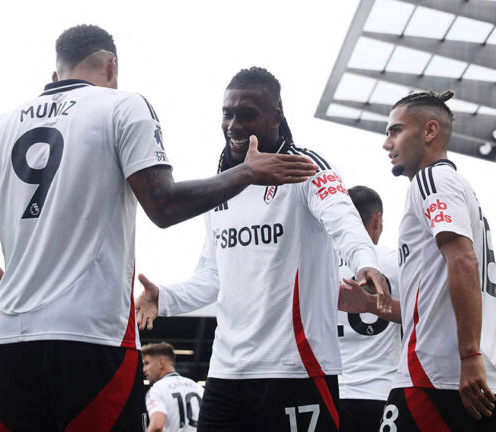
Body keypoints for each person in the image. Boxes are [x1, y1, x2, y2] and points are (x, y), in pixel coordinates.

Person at [0, 25, 316, 431]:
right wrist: (245, 173)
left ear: (56, 75)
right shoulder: (122, 106)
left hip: (11, 339)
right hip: (92, 336)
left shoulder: (3, 123)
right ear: (112, 66)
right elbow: (163, 206)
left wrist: (9, 288)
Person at [136, 66, 391, 431]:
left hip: (296, 369)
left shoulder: (306, 168)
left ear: (277, 115)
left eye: (248, 113)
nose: (234, 124)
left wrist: (365, 261)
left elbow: (343, 219)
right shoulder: (222, 186)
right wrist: (166, 298)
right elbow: (212, 276)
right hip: (226, 372)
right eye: (228, 113)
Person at [378, 90, 496, 431]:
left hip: (439, 378)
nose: (386, 142)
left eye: (394, 130)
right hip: (476, 378)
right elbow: (431, 302)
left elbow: (464, 262)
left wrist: (468, 355)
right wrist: (374, 305)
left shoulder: (432, 179)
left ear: (429, 131)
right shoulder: (458, 187)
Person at [336, 186, 402, 432]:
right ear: (377, 221)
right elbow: (422, 314)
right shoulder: (396, 263)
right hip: (381, 393)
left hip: (329, 393)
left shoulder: (318, 263)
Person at [142, 342, 204, 432]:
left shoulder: (157, 389)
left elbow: (157, 426)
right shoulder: (199, 388)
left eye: (147, 363)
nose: (144, 369)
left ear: (161, 363)